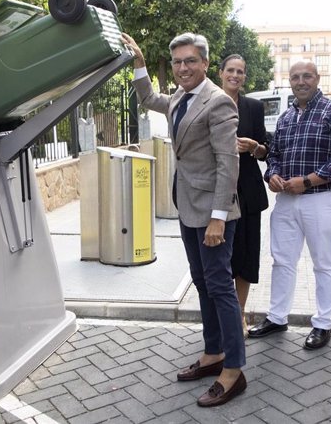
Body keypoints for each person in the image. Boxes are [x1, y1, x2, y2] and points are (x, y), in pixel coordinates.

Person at [121, 32, 247, 407]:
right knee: (202, 282)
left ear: (206, 63)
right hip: (188, 206)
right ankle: (213, 353)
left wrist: (218, 219)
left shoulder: (218, 102)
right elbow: (147, 98)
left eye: (190, 61)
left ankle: (234, 370)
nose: (182, 68)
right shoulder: (179, 96)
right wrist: (140, 64)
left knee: (220, 287)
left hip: (214, 213)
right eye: (177, 62)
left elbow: (229, 164)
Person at [247, 61, 331, 350]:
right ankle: (277, 317)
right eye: (295, 77)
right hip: (286, 200)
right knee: (282, 261)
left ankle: (323, 324)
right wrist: (271, 174)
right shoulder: (286, 118)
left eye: (306, 76)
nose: (301, 81)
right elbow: (274, 155)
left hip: (322, 200)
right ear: (290, 80)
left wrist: (309, 181)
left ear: (317, 78)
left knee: (324, 263)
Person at [218, 54, 269, 337]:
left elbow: (265, 150)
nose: (235, 75)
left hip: (248, 192)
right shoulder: (209, 102)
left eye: (240, 71)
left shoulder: (253, 107)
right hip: (217, 194)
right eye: (231, 71)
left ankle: (238, 314)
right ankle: (222, 314)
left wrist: (254, 147)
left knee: (246, 257)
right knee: (220, 258)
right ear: (220, 73)